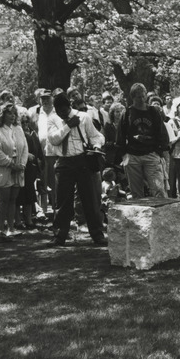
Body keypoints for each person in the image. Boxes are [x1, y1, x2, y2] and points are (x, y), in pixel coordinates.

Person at [46, 92, 107, 246]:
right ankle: (60, 235)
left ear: (69, 106)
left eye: (64, 111)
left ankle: (97, 234)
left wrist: (96, 146)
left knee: (90, 199)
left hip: (82, 161)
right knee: (62, 201)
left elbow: (96, 136)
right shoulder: (53, 120)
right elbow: (53, 139)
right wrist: (67, 126)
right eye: (59, 111)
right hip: (64, 162)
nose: (61, 114)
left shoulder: (84, 117)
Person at [116, 83, 169, 198]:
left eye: (143, 96)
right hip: (133, 156)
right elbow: (120, 137)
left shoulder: (153, 112)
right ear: (132, 97)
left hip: (151, 154)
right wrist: (124, 155)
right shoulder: (127, 113)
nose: (141, 99)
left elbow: (162, 133)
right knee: (136, 193)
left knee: (159, 189)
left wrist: (160, 152)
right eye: (138, 96)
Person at [0, 103, 28, 239]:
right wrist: (11, 164)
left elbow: (25, 148)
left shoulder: (18, 129)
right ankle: (1, 229)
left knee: (13, 199)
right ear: (2, 115)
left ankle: (11, 228)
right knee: (3, 200)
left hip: (17, 168)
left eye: (14, 113)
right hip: (2, 169)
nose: (12, 116)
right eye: (9, 113)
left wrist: (22, 163)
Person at [17, 112, 43, 229]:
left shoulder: (32, 134)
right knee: (18, 195)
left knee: (30, 194)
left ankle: (28, 219)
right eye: (22, 122)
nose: (25, 124)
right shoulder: (16, 135)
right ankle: (18, 220)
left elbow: (38, 151)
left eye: (27, 121)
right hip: (19, 167)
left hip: (30, 169)